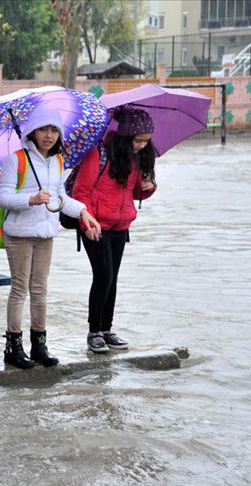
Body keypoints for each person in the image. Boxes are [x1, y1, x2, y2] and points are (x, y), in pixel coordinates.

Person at [0, 108, 100, 368]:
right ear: (32, 130)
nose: (49, 135)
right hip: (19, 234)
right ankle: (13, 346)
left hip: (45, 233)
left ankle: (39, 345)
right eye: (44, 129)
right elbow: (4, 197)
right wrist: (30, 199)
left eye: (54, 130)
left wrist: (83, 212)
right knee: (20, 289)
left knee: (40, 289)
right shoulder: (16, 160)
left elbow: (59, 197)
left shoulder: (58, 161)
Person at [72, 107, 157, 353]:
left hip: (121, 225)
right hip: (95, 224)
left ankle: (107, 329)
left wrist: (149, 186)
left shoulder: (136, 158)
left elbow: (136, 193)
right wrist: (86, 224)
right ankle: (94, 331)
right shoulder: (97, 153)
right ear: (125, 135)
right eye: (138, 140)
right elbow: (81, 192)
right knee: (103, 276)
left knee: (113, 279)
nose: (142, 145)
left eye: (146, 141)